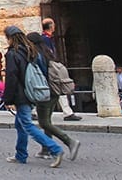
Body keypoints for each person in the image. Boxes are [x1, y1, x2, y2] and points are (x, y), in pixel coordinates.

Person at [3, 25, 64, 168]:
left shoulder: (13, 54)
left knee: (28, 125)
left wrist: (7, 98)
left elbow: (12, 77)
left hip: (20, 95)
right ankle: (21, 155)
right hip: (32, 92)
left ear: (10, 38)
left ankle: (55, 149)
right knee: (20, 124)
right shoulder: (31, 51)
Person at [27, 32, 81, 161]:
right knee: (47, 121)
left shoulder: (37, 56)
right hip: (54, 91)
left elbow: (38, 76)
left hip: (45, 92)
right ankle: (46, 150)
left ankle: (69, 142)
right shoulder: (48, 53)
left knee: (44, 122)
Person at [41, 18, 80, 121]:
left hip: (51, 67)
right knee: (56, 89)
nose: (55, 26)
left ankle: (67, 112)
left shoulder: (48, 38)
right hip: (51, 68)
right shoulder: (45, 39)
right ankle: (67, 113)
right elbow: (49, 54)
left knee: (57, 90)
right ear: (51, 26)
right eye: (53, 24)